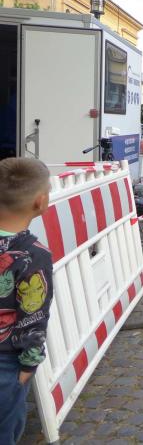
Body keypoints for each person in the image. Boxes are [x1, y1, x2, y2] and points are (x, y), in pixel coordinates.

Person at [0, 158, 54, 444]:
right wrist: (28, 368)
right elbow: (33, 317)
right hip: (6, 363)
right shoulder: (34, 255)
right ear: (40, 202)